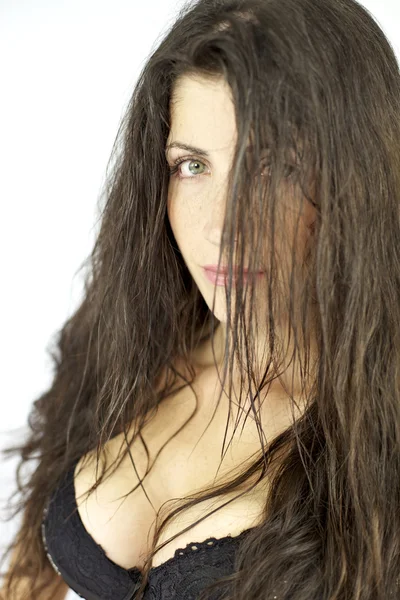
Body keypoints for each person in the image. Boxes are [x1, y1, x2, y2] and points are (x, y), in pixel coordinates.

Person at [1, 0, 400, 598]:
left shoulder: (380, 434)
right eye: (192, 165)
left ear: (359, 177)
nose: (222, 226)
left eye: (273, 168)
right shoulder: (130, 336)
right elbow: (28, 576)